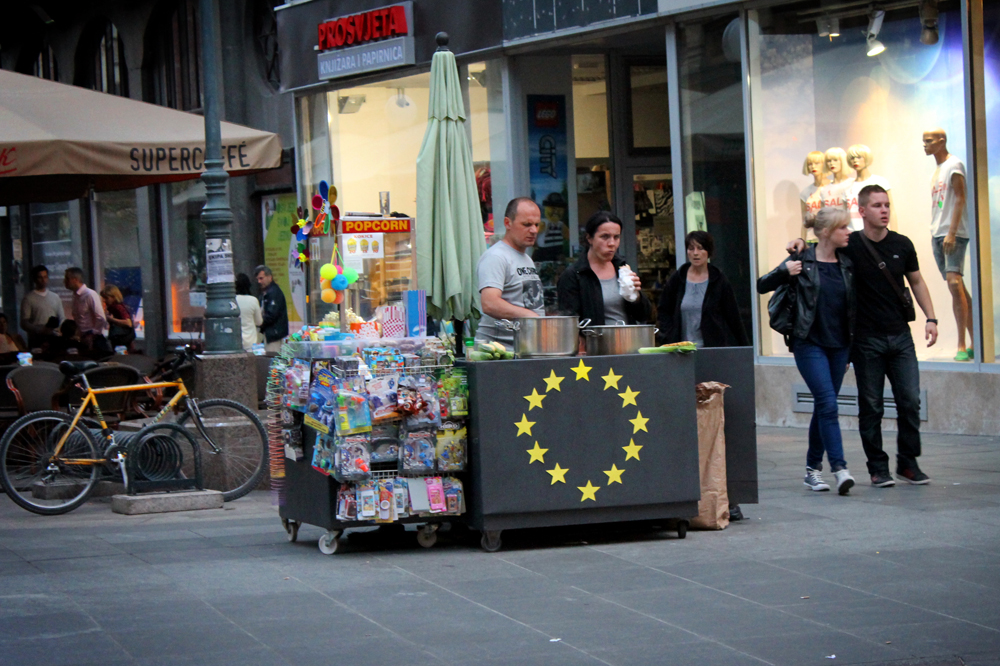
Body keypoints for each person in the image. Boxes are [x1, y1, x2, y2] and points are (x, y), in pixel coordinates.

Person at [788, 185, 938, 487]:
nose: (884, 210)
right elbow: (823, 243)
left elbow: (917, 281)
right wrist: (801, 242)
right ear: (863, 210)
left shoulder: (902, 244)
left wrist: (931, 318)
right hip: (866, 339)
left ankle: (908, 463)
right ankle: (877, 467)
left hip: (900, 336)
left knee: (909, 401)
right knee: (871, 405)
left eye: (887, 205)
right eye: (878, 205)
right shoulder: (850, 244)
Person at [758, 208, 856, 494]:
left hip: (839, 346)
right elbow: (761, 285)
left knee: (824, 406)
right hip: (808, 343)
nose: (848, 232)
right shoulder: (802, 259)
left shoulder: (847, 262)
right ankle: (840, 468)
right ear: (825, 232)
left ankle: (812, 470)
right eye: (842, 228)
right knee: (828, 403)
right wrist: (783, 270)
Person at [923, 128, 973, 361]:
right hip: (937, 232)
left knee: (954, 283)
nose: (925, 145)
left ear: (942, 141)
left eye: (929, 141)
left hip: (952, 233)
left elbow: (962, 197)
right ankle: (976, 340)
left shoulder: (955, 165)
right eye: (924, 141)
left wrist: (952, 233)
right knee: (957, 287)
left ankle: (961, 344)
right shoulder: (937, 170)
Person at [557, 211, 651, 326]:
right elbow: (568, 320)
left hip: (627, 339)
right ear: (589, 238)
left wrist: (636, 297)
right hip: (594, 341)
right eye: (605, 237)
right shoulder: (575, 275)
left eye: (616, 237)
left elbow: (643, 315)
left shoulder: (622, 268)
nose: (611, 243)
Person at [475, 197, 546, 349]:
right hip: (498, 352)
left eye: (536, 224)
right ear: (508, 223)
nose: (533, 230)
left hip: (523, 347)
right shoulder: (496, 257)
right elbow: (490, 303)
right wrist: (531, 317)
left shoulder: (526, 258)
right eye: (526, 224)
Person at [657, 231, 748, 347]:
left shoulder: (719, 280)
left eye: (700, 248)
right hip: (681, 350)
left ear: (708, 251)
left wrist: (743, 348)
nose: (695, 253)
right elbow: (664, 309)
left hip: (712, 351)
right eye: (691, 249)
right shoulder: (678, 278)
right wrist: (669, 335)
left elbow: (733, 317)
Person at [63, 267, 109, 354]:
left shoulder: (89, 294)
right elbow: (80, 318)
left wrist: (92, 334)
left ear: (75, 280)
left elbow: (101, 318)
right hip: (83, 339)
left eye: (67, 278)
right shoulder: (75, 296)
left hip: (94, 340)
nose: (64, 281)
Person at [20, 264, 64, 349]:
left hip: (54, 337)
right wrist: (39, 329)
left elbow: (62, 317)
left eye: (45, 277)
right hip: (36, 338)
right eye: (40, 277)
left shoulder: (55, 297)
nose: (43, 280)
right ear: (35, 279)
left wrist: (58, 328)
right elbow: (24, 322)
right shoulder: (29, 298)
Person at [256, 265, 288, 353]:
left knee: (272, 359)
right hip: (272, 333)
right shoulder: (269, 292)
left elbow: (271, 314)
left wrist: (259, 323)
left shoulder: (273, 293)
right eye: (258, 279)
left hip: (273, 334)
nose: (259, 281)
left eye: (261, 278)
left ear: (269, 277)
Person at [101, 285, 135, 352]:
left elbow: (128, 323)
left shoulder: (118, 307)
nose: (104, 300)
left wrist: (111, 319)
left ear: (113, 297)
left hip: (122, 340)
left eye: (106, 298)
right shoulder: (112, 307)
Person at [236, 273, 263, 352]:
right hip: (250, 342)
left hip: (236, 341)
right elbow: (259, 322)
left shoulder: (232, 300)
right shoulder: (253, 300)